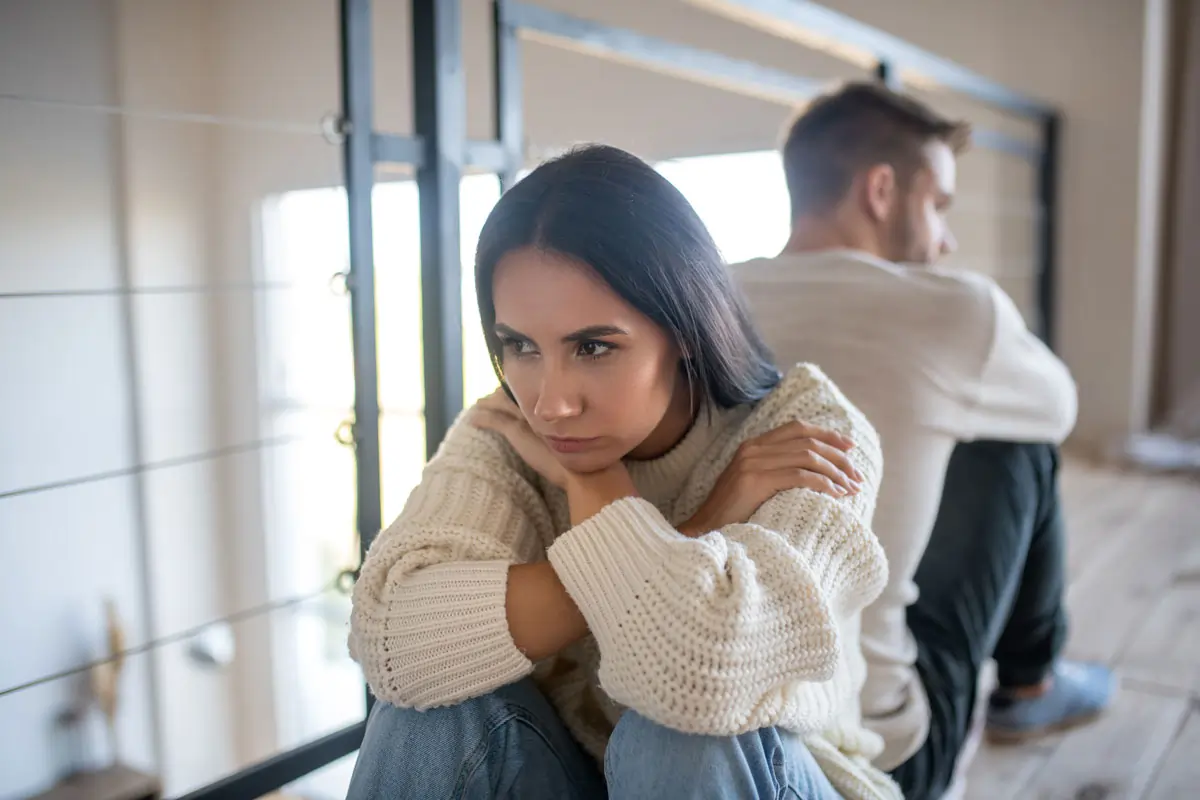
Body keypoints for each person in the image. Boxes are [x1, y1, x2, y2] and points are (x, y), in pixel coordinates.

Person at [345, 144, 902, 799]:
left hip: (764, 776)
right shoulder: (508, 431)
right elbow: (391, 639)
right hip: (577, 775)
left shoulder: (808, 433)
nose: (551, 403)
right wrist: (692, 522)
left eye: (593, 347)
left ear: (685, 327)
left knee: (677, 733)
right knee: (429, 711)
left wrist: (591, 484)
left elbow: (697, 671)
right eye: (520, 346)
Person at [731, 83, 1116, 800]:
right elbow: (1057, 408)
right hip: (881, 754)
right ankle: (1031, 686)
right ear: (881, 190)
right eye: (938, 204)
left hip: (723, 711)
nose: (946, 239)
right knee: (1017, 446)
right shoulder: (953, 307)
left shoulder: (706, 296)